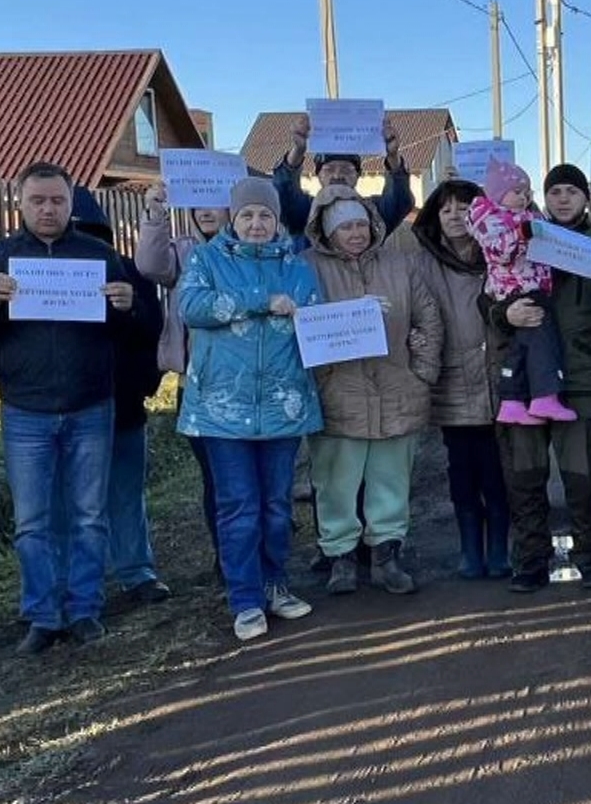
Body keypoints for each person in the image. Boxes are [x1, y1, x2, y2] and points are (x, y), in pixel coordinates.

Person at [0, 161, 151, 656]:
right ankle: (43, 615)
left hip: (91, 403)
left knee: (89, 515)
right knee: (32, 521)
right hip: (25, 408)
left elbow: (135, 333)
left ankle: (85, 609)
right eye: (38, 201)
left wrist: (128, 306)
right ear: (19, 203)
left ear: (70, 204)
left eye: (57, 201)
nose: (48, 209)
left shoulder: (101, 257)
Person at [177, 178, 324, 642]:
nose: (257, 224)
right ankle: (244, 599)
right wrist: (262, 302)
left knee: (276, 506)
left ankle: (275, 584)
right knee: (239, 506)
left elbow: (318, 322)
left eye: (265, 215)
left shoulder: (297, 267)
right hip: (223, 410)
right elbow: (192, 307)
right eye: (247, 216)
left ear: (277, 220)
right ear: (233, 220)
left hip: (283, 406)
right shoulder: (207, 259)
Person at [490, 163, 591, 591]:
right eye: (555, 192)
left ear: (586, 197)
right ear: (544, 198)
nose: (563, 199)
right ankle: (531, 559)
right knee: (524, 474)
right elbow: (490, 292)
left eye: (571, 191)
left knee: (584, 476)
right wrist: (503, 313)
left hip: (583, 379)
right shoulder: (520, 235)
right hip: (526, 383)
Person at [302, 184, 441, 596]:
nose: (356, 233)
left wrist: (422, 369)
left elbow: (428, 317)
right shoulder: (307, 267)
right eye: (346, 227)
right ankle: (340, 557)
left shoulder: (401, 264)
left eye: (362, 224)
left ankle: (386, 554)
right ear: (328, 232)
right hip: (338, 390)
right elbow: (300, 323)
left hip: (397, 386)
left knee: (391, 478)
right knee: (336, 481)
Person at [398, 180, 512, 580]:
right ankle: (470, 549)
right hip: (451, 380)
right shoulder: (420, 262)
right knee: (462, 471)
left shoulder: (501, 253)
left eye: (464, 207)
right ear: (434, 216)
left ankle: (499, 547)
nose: (454, 215)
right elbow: (411, 314)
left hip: (498, 376)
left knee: (498, 470)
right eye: (445, 208)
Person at [62, 188, 169, 605]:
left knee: (125, 493)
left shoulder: (125, 270)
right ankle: (73, 582)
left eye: (86, 231)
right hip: (55, 406)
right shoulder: (31, 273)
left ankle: (135, 570)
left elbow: (151, 331)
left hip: (121, 403)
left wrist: (143, 384)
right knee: (62, 506)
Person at [136, 185, 225, 563]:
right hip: (196, 384)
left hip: (244, 381)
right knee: (216, 479)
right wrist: (155, 214)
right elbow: (150, 265)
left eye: (215, 203)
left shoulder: (252, 246)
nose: (205, 211)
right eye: (198, 204)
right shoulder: (183, 249)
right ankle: (227, 558)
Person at [469, 159, 579, 425]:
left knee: (521, 348)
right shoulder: (491, 219)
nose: (524, 197)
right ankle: (545, 396)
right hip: (518, 287)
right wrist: (523, 232)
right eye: (517, 192)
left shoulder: (525, 216)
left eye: (526, 192)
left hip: (529, 284)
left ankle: (512, 400)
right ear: (498, 194)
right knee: (543, 341)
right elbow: (501, 253)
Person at [271, 113, 416, 237]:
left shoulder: (373, 212)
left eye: (347, 170)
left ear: (358, 175)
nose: (337, 175)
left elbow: (400, 201)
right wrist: (298, 150)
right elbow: (282, 195)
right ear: (318, 175)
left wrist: (393, 156)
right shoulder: (304, 211)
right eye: (329, 169)